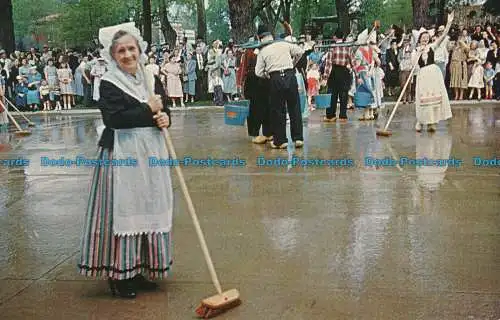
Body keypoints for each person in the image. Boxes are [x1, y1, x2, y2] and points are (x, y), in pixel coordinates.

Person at [77, 22, 173, 299]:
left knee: (149, 206)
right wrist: (147, 109)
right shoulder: (109, 82)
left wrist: (165, 117)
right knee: (124, 211)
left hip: (151, 153)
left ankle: (140, 267)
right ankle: (120, 274)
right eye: (121, 51)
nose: (128, 55)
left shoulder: (150, 78)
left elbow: (162, 109)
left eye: (132, 48)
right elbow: (114, 119)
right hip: (121, 157)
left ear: (140, 49)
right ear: (113, 55)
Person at [255, 25, 305, 149]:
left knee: (278, 110)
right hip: (290, 75)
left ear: (260, 38)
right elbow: (300, 51)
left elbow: (258, 72)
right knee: (294, 107)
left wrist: (267, 75)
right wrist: (293, 64)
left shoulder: (263, 51)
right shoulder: (284, 44)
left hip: (275, 78)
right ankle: (298, 138)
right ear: (271, 36)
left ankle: (281, 140)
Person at [413, 11, 454, 132]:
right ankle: (420, 121)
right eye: (423, 38)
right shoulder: (416, 50)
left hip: (433, 73)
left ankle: (432, 122)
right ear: (419, 39)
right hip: (423, 75)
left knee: (434, 100)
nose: (425, 39)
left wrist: (449, 23)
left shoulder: (432, 46)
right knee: (423, 99)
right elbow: (413, 64)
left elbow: (443, 36)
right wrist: (418, 53)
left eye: (427, 37)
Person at [322, 29, 354, 123]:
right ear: (343, 37)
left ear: (335, 37)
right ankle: (343, 116)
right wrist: (357, 75)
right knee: (344, 94)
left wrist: (325, 77)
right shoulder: (347, 47)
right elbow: (353, 62)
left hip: (334, 72)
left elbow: (328, 64)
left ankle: (331, 115)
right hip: (344, 71)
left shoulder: (332, 47)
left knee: (333, 94)